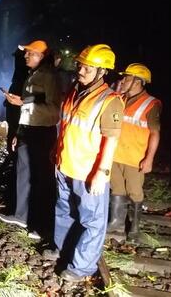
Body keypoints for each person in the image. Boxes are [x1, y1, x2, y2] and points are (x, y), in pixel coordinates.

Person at [43, 44, 125, 282]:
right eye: (80, 65)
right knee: (64, 210)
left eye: (87, 68)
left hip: (88, 171)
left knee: (92, 221)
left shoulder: (110, 101)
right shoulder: (74, 90)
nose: (81, 71)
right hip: (65, 164)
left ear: (102, 72)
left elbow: (112, 140)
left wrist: (103, 171)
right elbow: (66, 126)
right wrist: (54, 150)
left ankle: (81, 268)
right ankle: (62, 249)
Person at [0, 40, 62, 241]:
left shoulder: (50, 77)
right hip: (28, 131)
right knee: (23, 173)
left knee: (41, 179)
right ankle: (21, 215)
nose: (26, 56)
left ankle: (41, 224)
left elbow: (54, 109)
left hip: (42, 133)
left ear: (41, 56)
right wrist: (18, 132)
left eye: (30, 53)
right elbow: (30, 107)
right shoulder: (32, 74)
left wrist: (23, 102)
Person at [107, 63, 161, 242]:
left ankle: (135, 229)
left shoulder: (150, 104)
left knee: (135, 192)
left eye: (127, 78)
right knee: (117, 189)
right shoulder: (119, 98)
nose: (123, 80)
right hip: (115, 155)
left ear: (138, 81)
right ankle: (117, 225)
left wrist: (149, 159)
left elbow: (155, 132)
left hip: (134, 158)